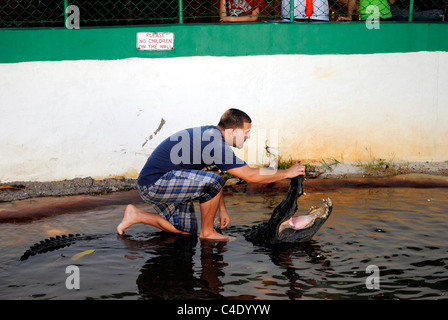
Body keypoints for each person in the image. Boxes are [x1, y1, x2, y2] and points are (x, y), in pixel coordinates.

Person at [117, 109, 306, 241]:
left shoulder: (212, 134)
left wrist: (222, 210)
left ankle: (136, 215)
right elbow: (250, 176)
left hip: (167, 181)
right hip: (156, 184)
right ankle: (207, 233)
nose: (248, 137)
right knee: (214, 181)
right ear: (233, 131)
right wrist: (287, 173)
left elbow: (212, 176)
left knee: (185, 231)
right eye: (246, 133)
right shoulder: (216, 145)